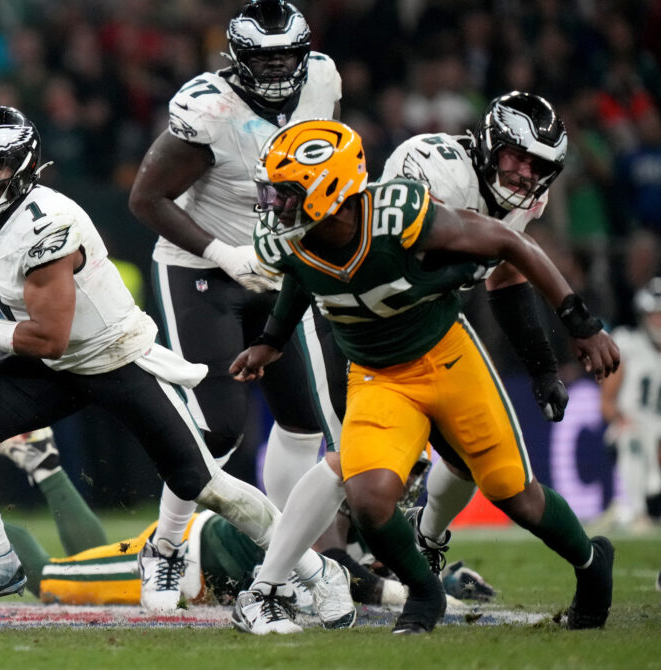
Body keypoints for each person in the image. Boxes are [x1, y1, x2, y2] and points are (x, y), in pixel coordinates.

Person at [0, 105, 354, 625]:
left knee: (206, 485)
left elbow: (50, 338)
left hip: (112, 356)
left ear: (24, 165)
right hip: (54, 362)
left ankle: (320, 571)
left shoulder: (51, 225)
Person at [228, 118, 619, 635]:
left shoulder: (397, 214)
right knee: (369, 499)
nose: (273, 205)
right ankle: (425, 592)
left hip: (448, 359)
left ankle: (593, 565)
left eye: (284, 192)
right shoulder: (287, 241)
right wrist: (272, 340)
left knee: (514, 493)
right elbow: (304, 275)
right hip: (377, 376)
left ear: (328, 191)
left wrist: (579, 322)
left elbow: (510, 245)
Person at [127, 0, 344, 611]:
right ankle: (166, 546)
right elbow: (146, 199)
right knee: (220, 422)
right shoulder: (210, 110)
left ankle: (279, 556)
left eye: (285, 57)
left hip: (280, 268)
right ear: (236, 58)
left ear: (304, 55)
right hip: (201, 268)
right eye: (263, 58)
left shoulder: (323, 80)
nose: (276, 71)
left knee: (304, 420)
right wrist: (224, 254)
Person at [0, 429, 325, 612]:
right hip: (192, 562)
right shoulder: (356, 498)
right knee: (53, 581)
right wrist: (392, 587)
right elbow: (341, 561)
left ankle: (44, 464)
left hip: (198, 554)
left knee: (84, 562)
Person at [600, 277, 661, 531]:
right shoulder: (628, 344)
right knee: (633, 436)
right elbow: (605, 402)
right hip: (633, 429)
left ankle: (626, 512)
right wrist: (620, 419)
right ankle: (636, 513)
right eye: (655, 314)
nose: (659, 320)